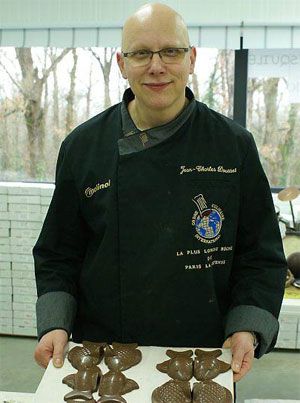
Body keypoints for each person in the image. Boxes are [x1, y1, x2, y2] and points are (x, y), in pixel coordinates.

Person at [33, 2, 286, 384]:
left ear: (192, 58)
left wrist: (247, 327)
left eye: (171, 51)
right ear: (121, 63)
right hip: (102, 355)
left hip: (205, 354)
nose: (157, 66)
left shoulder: (233, 146)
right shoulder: (83, 146)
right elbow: (58, 253)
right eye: (140, 53)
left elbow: (261, 256)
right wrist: (55, 324)